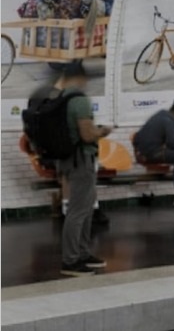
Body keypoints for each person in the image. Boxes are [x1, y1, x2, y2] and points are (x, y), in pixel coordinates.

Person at [50, 64, 111, 276]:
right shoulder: (79, 100)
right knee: (78, 211)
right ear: (80, 77)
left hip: (66, 159)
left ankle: (83, 253)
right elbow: (87, 135)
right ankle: (71, 260)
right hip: (81, 159)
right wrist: (103, 131)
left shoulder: (58, 98)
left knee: (85, 209)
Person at [28, 74, 110, 226]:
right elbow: (86, 135)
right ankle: (93, 210)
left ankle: (67, 209)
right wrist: (102, 131)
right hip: (74, 152)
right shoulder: (72, 99)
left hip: (51, 152)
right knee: (87, 174)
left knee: (66, 176)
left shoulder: (42, 100)